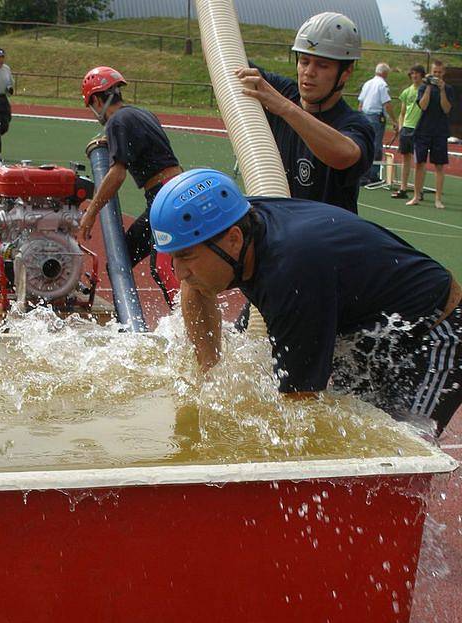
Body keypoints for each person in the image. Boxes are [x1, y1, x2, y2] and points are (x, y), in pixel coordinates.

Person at [150, 169, 462, 436]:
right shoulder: (234, 224)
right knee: (349, 432)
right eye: (173, 257)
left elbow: (299, 407)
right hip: (363, 329)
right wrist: (209, 374)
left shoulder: (291, 273)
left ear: (233, 239)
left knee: (397, 451)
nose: (179, 272)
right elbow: (194, 288)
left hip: (432, 335)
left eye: (186, 257)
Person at [235, 12, 374, 214]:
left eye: (322, 65)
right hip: (278, 231)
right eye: (304, 61)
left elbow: (345, 155)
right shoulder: (282, 92)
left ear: (346, 72)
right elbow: (221, 56)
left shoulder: (353, 123)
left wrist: (286, 109)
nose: (309, 71)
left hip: (326, 240)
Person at [78, 66, 182, 308]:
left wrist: (91, 213)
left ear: (95, 99)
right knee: (120, 257)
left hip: (165, 197)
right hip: (169, 193)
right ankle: (126, 320)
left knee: (163, 267)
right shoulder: (140, 114)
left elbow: (117, 174)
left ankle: (193, 328)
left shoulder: (117, 122)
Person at [406, 60, 454, 210]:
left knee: (439, 165)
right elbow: (423, 106)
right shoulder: (422, 87)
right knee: (419, 163)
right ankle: (416, 195)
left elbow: (446, 109)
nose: (437, 75)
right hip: (423, 130)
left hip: (440, 131)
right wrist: (427, 87)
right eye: (434, 72)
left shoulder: (448, 89)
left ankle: (438, 199)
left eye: (439, 73)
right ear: (430, 72)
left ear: (443, 73)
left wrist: (441, 90)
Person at [357, 63, 399, 185]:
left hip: (364, 115)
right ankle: (372, 174)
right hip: (375, 117)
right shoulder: (382, 85)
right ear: (385, 73)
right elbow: (387, 103)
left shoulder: (367, 83)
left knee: (364, 143)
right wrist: (394, 120)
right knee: (376, 146)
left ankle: (363, 174)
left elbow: (360, 103)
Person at [391, 64, 426, 200]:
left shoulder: (425, 90)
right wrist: (401, 127)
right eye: (412, 73)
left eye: (417, 73)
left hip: (421, 128)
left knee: (420, 161)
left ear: (422, 75)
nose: (414, 76)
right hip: (407, 127)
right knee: (405, 159)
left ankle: (419, 190)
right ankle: (403, 188)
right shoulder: (407, 92)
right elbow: (402, 112)